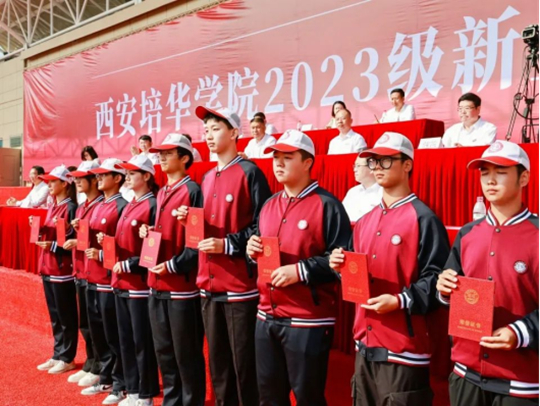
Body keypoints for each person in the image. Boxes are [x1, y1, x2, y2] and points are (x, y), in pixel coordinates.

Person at [329, 132, 450, 406]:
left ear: (407, 164)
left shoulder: (424, 219)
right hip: (364, 344)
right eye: (374, 162)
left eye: (386, 161)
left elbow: (438, 281)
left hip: (403, 350)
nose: (377, 168)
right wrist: (340, 267)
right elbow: (355, 275)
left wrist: (399, 300)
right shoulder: (365, 221)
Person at [246, 130, 352, 405]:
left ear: (307, 162)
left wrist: (301, 271)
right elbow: (260, 250)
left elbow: (342, 261)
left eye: (287, 157)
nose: (278, 163)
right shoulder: (269, 205)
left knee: (308, 397)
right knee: (269, 397)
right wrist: (251, 251)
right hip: (266, 315)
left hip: (307, 319)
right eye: (275, 157)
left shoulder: (328, 205)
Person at [436, 141, 538, 405]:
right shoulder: (468, 233)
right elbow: (450, 288)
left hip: (521, 380)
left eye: (501, 172)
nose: (490, 180)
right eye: (484, 173)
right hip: (466, 371)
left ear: (524, 178)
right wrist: (445, 290)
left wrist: (521, 331)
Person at [182, 106, 272, 406]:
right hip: (208, 286)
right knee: (218, 366)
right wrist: (188, 222)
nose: (208, 135)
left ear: (234, 133)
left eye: (216, 129)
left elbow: (263, 226)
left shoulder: (250, 172)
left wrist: (228, 245)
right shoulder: (206, 177)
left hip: (239, 287)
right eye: (206, 130)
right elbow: (204, 229)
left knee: (244, 366)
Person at [143, 133, 206, 406]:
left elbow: (196, 242)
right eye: (161, 153)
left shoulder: (192, 190)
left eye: (169, 153)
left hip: (181, 287)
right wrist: (149, 232)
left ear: (184, 158)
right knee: (165, 353)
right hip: (157, 284)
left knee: (186, 355)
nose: (162, 157)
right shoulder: (162, 192)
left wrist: (172, 265)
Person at [110, 155, 160, 406]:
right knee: (126, 340)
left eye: (132, 173)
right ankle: (132, 389)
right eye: (126, 173)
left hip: (139, 285)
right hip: (121, 283)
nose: (127, 177)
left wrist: (130, 264)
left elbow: (154, 247)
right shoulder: (131, 203)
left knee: (142, 342)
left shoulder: (152, 205)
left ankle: (145, 393)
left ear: (147, 176)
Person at [83, 158, 128, 405]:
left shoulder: (121, 206)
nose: (98, 178)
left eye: (104, 175)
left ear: (118, 178)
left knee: (114, 335)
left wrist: (102, 254)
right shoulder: (101, 204)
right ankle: (106, 376)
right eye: (97, 175)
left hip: (110, 280)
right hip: (93, 277)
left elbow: (124, 246)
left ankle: (119, 382)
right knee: (99, 332)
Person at [33, 165, 79, 375]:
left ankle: (67, 357)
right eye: (48, 181)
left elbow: (72, 242)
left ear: (65, 184)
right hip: (48, 267)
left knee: (66, 315)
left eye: (53, 181)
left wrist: (51, 246)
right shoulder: (53, 206)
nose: (49, 185)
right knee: (55, 315)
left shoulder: (70, 207)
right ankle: (58, 353)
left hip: (62, 270)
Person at [63, 161, 104, 387]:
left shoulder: (101, 205)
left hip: (96, 272)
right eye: (76, 178)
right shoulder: (81, 207)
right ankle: (91, 362)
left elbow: (100, 240)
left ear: (94, 180)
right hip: (81, 270)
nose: (77, 181)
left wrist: (78, 240)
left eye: (81, 178)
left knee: (97, 324)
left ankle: (99, 366)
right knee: (86, 323)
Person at [342, 155, 383, 221]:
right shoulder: (352, 192)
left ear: (372, 168)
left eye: (358, 166)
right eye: (354, 166)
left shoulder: (384, 193)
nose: (355, 170)